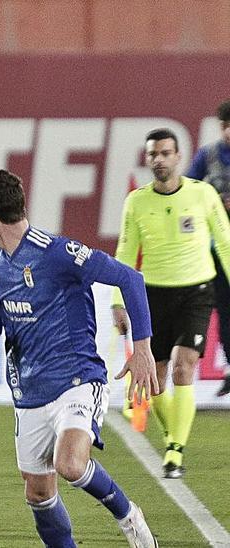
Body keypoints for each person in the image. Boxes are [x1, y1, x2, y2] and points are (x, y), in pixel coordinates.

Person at [0, 169, 158, 547]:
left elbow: (130, 279)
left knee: (71, 464)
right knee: (39, 493)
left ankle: (129, 517)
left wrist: (141, 348)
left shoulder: (58, 253)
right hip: (29, 391)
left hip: (76, 379)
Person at [113, 128, 230, 478]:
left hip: (196, 291)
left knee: (184, 367)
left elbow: (224, 243)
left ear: (179, 156)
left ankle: (174, 453)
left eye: (166, 153)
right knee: (155, 382)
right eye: (153, 154)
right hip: (152, 295)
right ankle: (173, 432)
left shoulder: (202, 194)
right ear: (148, 160)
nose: (160, 159)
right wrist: (118, 302)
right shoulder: (136, 201)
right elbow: (125, 252)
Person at [184, 100, 230, 397]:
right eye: (225, 127)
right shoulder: (208, 156)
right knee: (224, 309)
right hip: (218, 249)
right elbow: (186, 192)